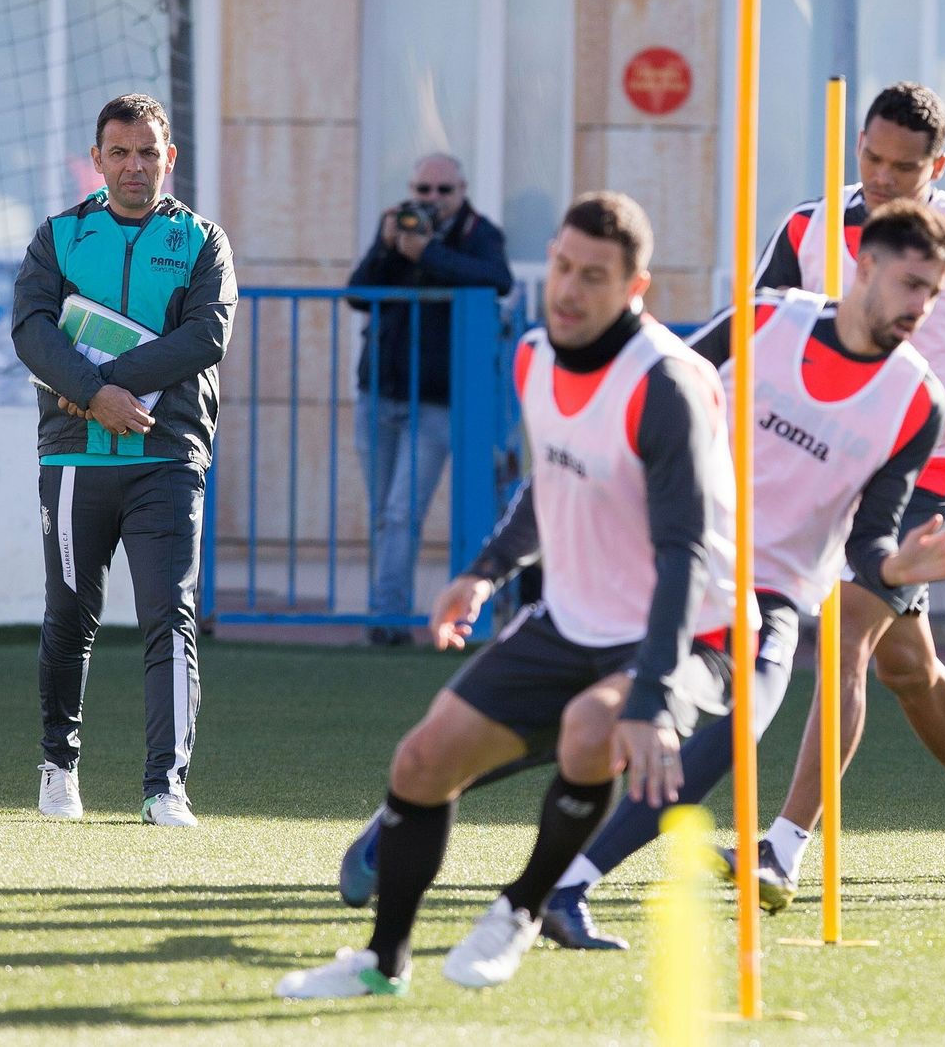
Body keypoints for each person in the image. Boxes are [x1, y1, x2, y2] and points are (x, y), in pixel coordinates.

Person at [333, 203, 945, 944]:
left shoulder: (918, 400)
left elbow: (871, 537)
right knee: (580, 729)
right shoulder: (765, 321)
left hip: (771, 594)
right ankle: (409, 810)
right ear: (864, 266)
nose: (921, 308)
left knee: (727, 717)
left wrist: (891, 565)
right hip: (666, 559)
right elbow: (651, 380)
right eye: (911, 284)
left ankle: (567, 886)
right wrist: (498, 562)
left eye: (934, 295)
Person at [276, 191, 749, 1000]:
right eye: (562, 266)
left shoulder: (667, 384)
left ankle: (522, 910)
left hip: (687, 633)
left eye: (593, 277)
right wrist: (484, 571)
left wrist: (650, 695)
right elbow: (550, 481)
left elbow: (683, 555)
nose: (568, 288)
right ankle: (381, 964)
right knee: (420, 763)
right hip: (567, 620)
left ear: (636, 287)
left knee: (592, 725)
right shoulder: (534, 354)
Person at [738, 82, 945, 911]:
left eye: (903, 166)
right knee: (905, 669)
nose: (882, 177)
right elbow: (757, 329)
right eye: (871, 159)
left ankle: (780, 849)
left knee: (843, 636)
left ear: (938, 166)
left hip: (930, 472)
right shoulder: (808, 227)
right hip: (832, 465)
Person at [12, 93, 237, 827]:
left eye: (148, 153)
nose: (135, 166)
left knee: (171, 616)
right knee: (69, 612)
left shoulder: (204, 241)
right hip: (76, 458)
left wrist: (112, 387)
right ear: (97, 158)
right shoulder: (60, 235)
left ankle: (165, 786)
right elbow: (31, 330)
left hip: (168, 458)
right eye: (121, 152)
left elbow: (206, 336)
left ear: (169, 159)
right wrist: (92, 397)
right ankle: (58, 768)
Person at [347, 153, 513, 644]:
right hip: (378, 393)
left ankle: (388, 619)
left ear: (461, 191)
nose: (432, 201)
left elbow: (497, 279)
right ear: (411, 190)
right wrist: (389, 245)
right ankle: (390, 611)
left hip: (436, 401)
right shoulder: (399, 225)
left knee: (402, 513)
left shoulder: (480, 233)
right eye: (424, 190)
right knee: (385, 513)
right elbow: (358, 291)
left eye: (444, 191)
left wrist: (427, 254)